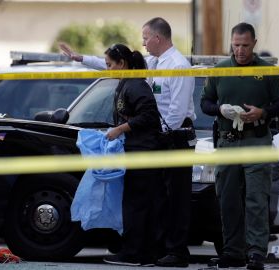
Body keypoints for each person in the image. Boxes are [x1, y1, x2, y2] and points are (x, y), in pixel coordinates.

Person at [60, 17, 195, 267]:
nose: (143, 44)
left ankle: (177, 252)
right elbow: (113, 65)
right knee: (158, 200)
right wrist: (81, 58)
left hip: (174, 139)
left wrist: (160, 136)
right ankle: (157, 250)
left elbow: (176, 112)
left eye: (145, 38)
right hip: (158, 140)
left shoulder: (178, 65)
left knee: (176, 200)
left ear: (157, 37)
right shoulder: (154, 62)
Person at [200, 22, 279, 270]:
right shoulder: (220, 70)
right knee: (227, 199)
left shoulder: (267, 70)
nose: (240, 50)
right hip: (227, 142)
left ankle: (257, 252)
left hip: (257, 140)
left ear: (254, 44)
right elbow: (205, 102)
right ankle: (233, 251)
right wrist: (220, 109)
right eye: (236, 45)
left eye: (245, 46)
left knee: (256, 199)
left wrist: (263, 112)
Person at [101, 43, 165, 266]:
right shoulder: (126, 84)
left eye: (110, 65)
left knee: (137, 204)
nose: (108, 69)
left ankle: (135, 253)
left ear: (122, 63)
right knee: (137, 203)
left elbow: (149, 116)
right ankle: (141, 252)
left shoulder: (136, 85)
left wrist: (120, 129)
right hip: (134, 150)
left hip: (143, 152)